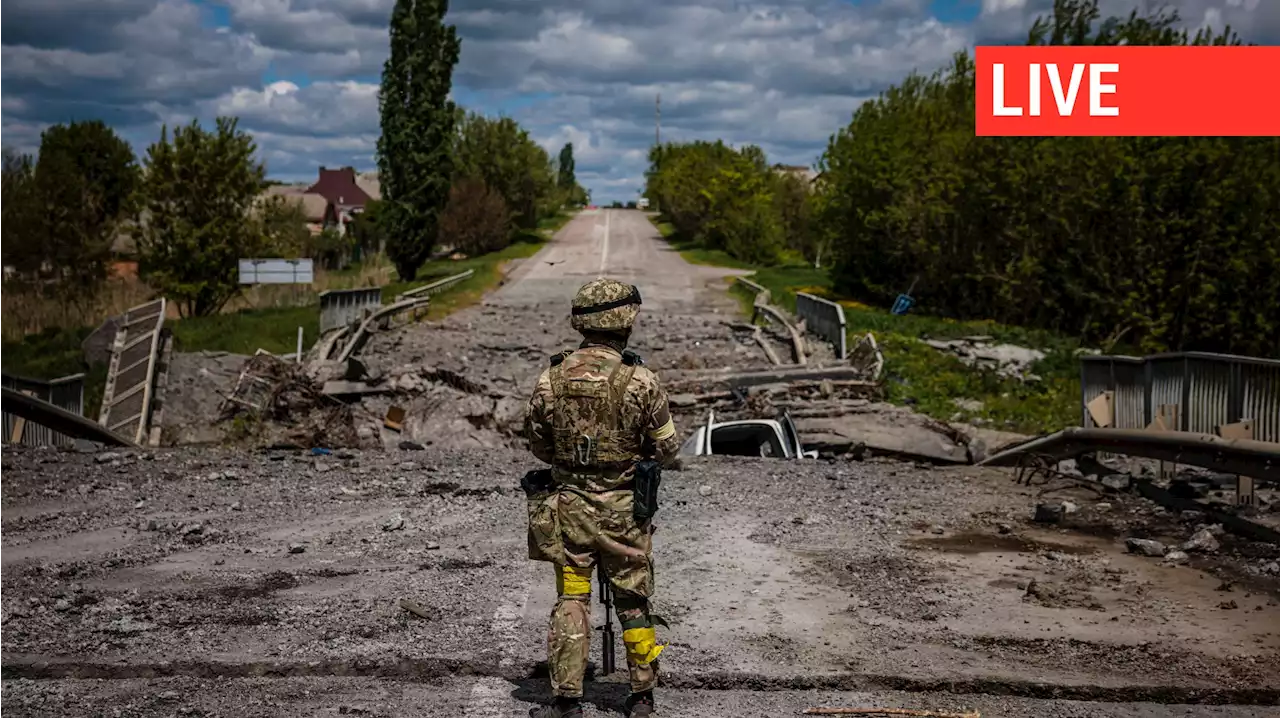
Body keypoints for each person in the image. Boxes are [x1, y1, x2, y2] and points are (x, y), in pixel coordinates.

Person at [524, 278, 682, 718]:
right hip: (625, 514)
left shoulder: (550, 377)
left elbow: (539, 446)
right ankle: (642, 695)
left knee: (572, 597)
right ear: (625, 323)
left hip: (570, 510)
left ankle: (566, 700)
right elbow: (668, 448)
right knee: (633, 599)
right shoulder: (642, 380)